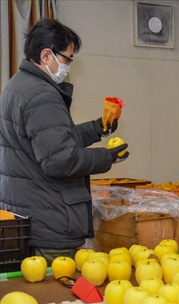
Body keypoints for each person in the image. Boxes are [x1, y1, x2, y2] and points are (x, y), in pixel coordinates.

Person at [0, 18, 129, 264]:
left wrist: (96, 129)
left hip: (26, 214)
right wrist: (107, 157)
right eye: (67, 58)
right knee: (56, 296)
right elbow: (61, 160)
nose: (68, 65)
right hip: (49, 222)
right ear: (46, 55)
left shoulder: (16, 86)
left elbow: (49, 141)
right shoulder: (41, 95)